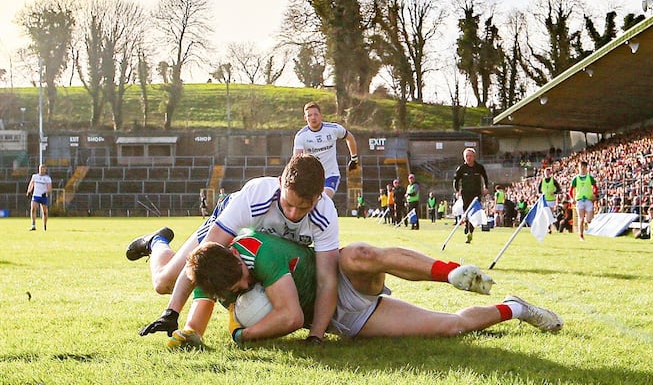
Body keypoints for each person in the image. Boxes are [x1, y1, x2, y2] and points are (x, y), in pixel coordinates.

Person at [171, 230, 561, 347]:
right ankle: (516, 308)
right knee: (451, 328)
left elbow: (290, 317)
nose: (245, 283)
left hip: (340, 280)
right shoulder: (210, 280)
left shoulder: (259, 251)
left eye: (243, 275)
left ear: (237, 258)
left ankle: (450, 271)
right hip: (353, 317)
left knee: (357, 254)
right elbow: (196, 326)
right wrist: (188, 337)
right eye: (237, 288)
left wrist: (244, 333)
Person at [128, 154, 340, 345]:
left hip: (260, 249)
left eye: (303, 208)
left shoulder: (325, 215)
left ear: (319, 196)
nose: (293, 214)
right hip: (231, 227)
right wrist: (172, 312)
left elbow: (327, 279)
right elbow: (206, 256)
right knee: (164, 283)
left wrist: (316, 336)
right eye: (288, 204)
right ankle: (157, 242)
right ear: (280, 183)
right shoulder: (255, 197)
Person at [293, 101, 359, 199]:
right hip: (312, 177)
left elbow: (350, 137)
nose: (313, 117)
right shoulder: (301, 136)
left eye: (316, 114)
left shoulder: (333, 129)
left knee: (324, 199)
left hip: (330, 175)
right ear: (305, 118)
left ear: (321, 116)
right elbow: (296, 159)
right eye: (309, 115)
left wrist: (354, 158)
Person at [452, 147, 489, 244]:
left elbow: (485, 177)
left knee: (473, 212)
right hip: (465, 194)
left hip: (476, 194)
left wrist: (485, 187)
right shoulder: (461, 168)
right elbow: (456, 180)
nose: (468, 158)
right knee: (466, 213)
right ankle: (467, 225)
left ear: (474, 157)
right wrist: (457, 191)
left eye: (470, 156)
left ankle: (470, 232)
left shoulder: (479, 167)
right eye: (466, 156)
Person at [569, 160, 598, 241]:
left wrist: (594, 195)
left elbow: (595, 187)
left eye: (584, 167)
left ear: (586, 168)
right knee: (580, 218)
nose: (583, 169)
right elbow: (570, 191)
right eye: (581, 167)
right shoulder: (575, 179)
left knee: (589, 220)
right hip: (579, 200)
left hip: (589, 200)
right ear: (579, 168)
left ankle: (586, 222)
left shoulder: (590, 178)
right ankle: (581, 236)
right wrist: (572, 198)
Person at [25, 163, 51, 231]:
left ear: (45, 170)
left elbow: (49, 188)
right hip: (36, 195)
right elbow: (31, 184)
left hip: (43, 196)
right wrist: (29, 191)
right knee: (33, 209)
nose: (41, 170)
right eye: (40, 168)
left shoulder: (47, 178)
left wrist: (46, 192)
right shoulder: (35, 176)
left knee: (44, 212)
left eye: (43, 169)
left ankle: (44, 225)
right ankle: (33, 225)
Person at [537, 166, 562, 230]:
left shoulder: (553, 180)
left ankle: (552, 226)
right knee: (546, 214)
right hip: (545, 200)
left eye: (548, 172)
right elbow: (538, 190)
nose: (547, 174)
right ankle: (548, 228)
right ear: (544, 173)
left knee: (550, 214)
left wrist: (554, 192)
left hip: (552, 200)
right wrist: (540, 194)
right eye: (546, 173)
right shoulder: (542, 181)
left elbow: (559, 189)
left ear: (550, 173)